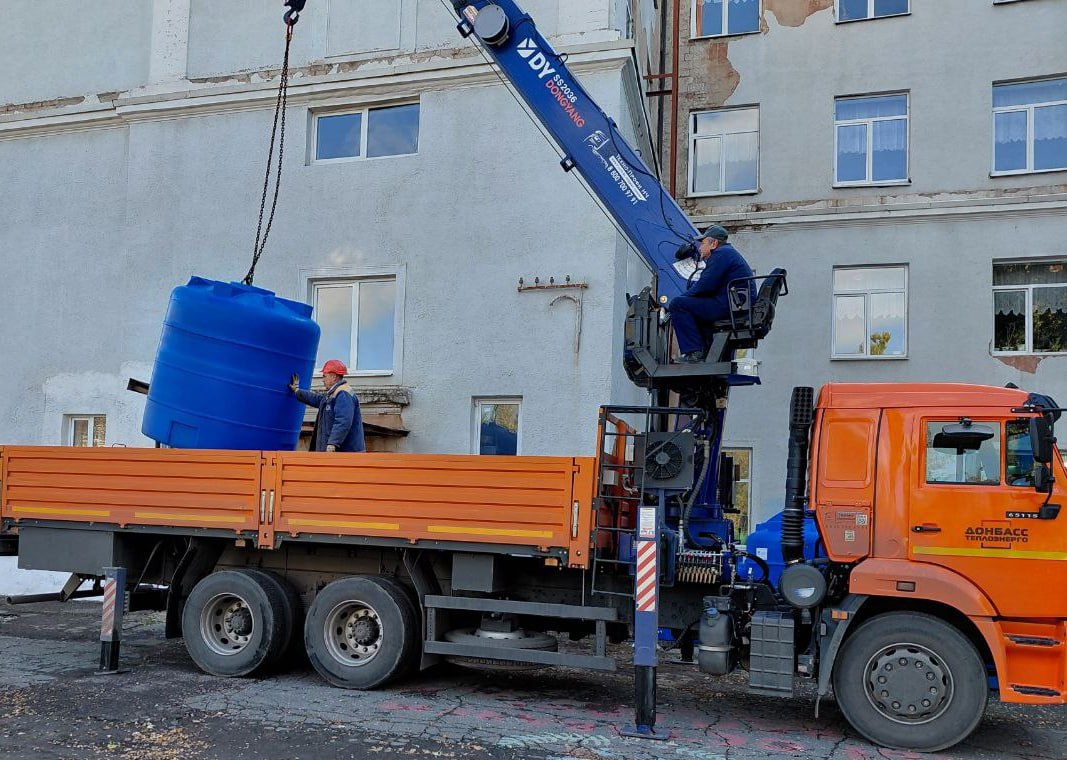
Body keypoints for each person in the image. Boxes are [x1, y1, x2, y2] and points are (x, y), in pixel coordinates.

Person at [669, 224, 755, 363]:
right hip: (735, 304)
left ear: (714, 243)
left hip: (730, 305)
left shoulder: (721, 254)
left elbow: (706, 284)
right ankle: (709, 354)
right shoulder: (728, 253)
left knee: (678, 304)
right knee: (696, 309)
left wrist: (682, 297)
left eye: (703, 243)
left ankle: (694, 352)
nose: (700, 248)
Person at [289, 359, 366, 452]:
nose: (323, 380)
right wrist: (297, 391)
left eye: (324, 376)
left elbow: (343, 421)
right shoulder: (335, 393)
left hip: (344, 454)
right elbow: (318, 399)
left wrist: (333, 443)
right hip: (339, 452)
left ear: (333, 376)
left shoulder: (343, 394)